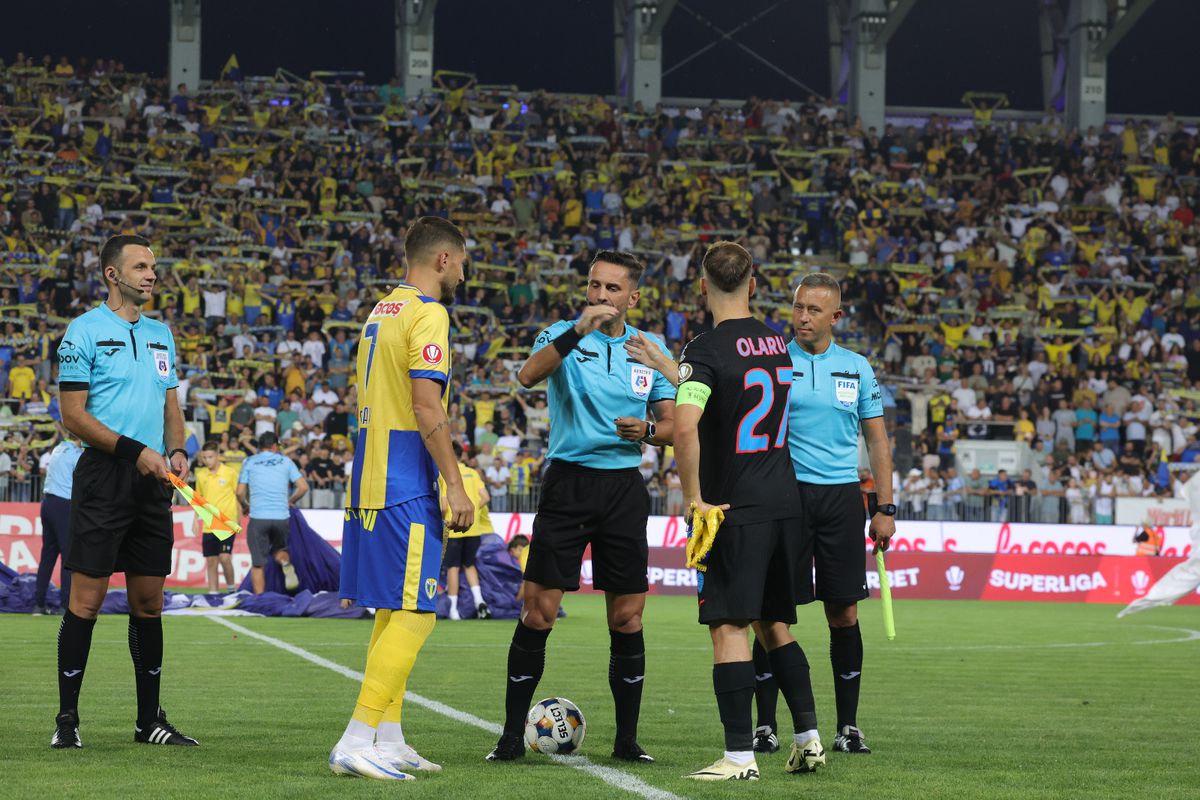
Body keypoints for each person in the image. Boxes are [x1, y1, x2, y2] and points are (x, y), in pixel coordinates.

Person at [486, 250, 676, 764]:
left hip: (623, 489)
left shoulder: (650, 349)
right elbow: (527, 376)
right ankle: (509, 736)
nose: (600, 296)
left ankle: (627, 741)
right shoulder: (561, 335)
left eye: (612, 289)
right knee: (539, 612)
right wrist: (578, 329)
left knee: (628, 619)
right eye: (594, 285)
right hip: (567, 484)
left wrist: (652, 432)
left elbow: (679, 421)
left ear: (632, 298)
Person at [671, 242, 823, 781]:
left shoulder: (704, 349)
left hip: (735, 508)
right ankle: (808, 738)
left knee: (728, 627)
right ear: (753, 283)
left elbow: (686, 425)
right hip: (785, 501)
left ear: (702, 283)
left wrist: (694, 499)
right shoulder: (778, 345)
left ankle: (738, 757)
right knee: (775, 625)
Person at [329, 216, 472, 781]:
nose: (463, 270)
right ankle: (356, 737)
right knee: (417, 611)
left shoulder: (382, 308)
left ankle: (387, 737)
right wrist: (455, 484)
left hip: (370, 474)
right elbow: (426, 405)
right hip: (405, 482)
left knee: (393, 607)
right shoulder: (429, 312)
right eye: (461, 260)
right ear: (442, 260)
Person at [53, 234, 198, 748]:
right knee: (86, 601)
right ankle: (67, 722)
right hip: (104, 476)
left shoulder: (161, 334)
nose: (151, 274)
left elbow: (170, 405)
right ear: (112, 274)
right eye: (140, 266)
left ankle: (148, 723)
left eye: (153, 266)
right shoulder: (84, 331)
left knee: (149, 603)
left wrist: (177, 450)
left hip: (154, 479)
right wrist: (135, 451)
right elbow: (73, 416)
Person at [752, 272, 894, 757]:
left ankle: (848, 726)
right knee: (772, 611)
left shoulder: (856, 367)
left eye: (813, 310)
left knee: (844, 612)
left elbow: (877, 440)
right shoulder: (772, 360)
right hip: (784, 497)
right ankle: (765, 725)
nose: (802, 317)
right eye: (797, 308)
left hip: (840, 500)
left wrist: (885, 507)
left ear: (836, 316)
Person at [236, 432, 308, 594]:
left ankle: (260, 600)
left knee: (258, 564)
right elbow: (303, 487)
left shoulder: (250, 461)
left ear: (260, 446)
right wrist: (291, 501)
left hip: (258, 517)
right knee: (280, 550)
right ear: (275, 446)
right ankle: (285, 563)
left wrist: (245, 505)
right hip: (281, 517)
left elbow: (240, 492)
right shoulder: (285, 461)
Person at [438, 441, 493, 620]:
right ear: (462, 455)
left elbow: (444, 505)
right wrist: (473, 511)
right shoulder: (473, 473)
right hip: (474, 528)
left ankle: (453, 609)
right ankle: (479, 602)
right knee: (469, 565)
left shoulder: (445, 475)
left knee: (452, 568)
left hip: (453, 528)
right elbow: (485, 497)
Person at [32, 434, 83, 614]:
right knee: (68, 557)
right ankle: (65, 605)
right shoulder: (76, 455)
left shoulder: (58, 449)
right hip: (64, 504)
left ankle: (38, 604)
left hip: (48, 502)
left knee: (48, 556)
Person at [194, 441, 240, 592]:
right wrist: (195, 520)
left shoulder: (230, 473)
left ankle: (231, 589)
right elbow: (198, 500)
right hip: (209, 524)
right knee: (211, 560)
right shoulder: (201, 476)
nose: (208, 460)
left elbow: (238, 496)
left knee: (225, 558)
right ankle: (212, 593)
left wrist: (239, 520)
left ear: (218, 456)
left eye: (211, 457)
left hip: (227, 523)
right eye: (205, 457)